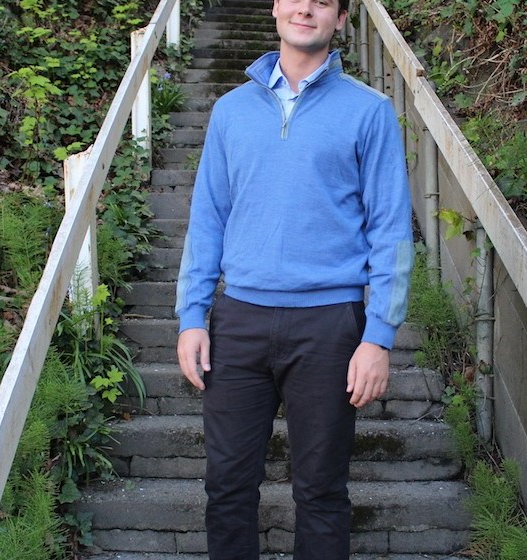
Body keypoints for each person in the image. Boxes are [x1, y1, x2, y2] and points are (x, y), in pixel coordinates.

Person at [175, 0, 414, 558]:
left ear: (341, 18)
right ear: (276, 7)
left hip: (329, 326)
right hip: (238, 323)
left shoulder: (369, 111)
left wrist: (378, 337)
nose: (306, 8)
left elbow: (391, 231)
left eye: (323, 1)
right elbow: (207, 218)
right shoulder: (230, 111)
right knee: (227, 488)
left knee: (322, 491)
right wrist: (192, 317)